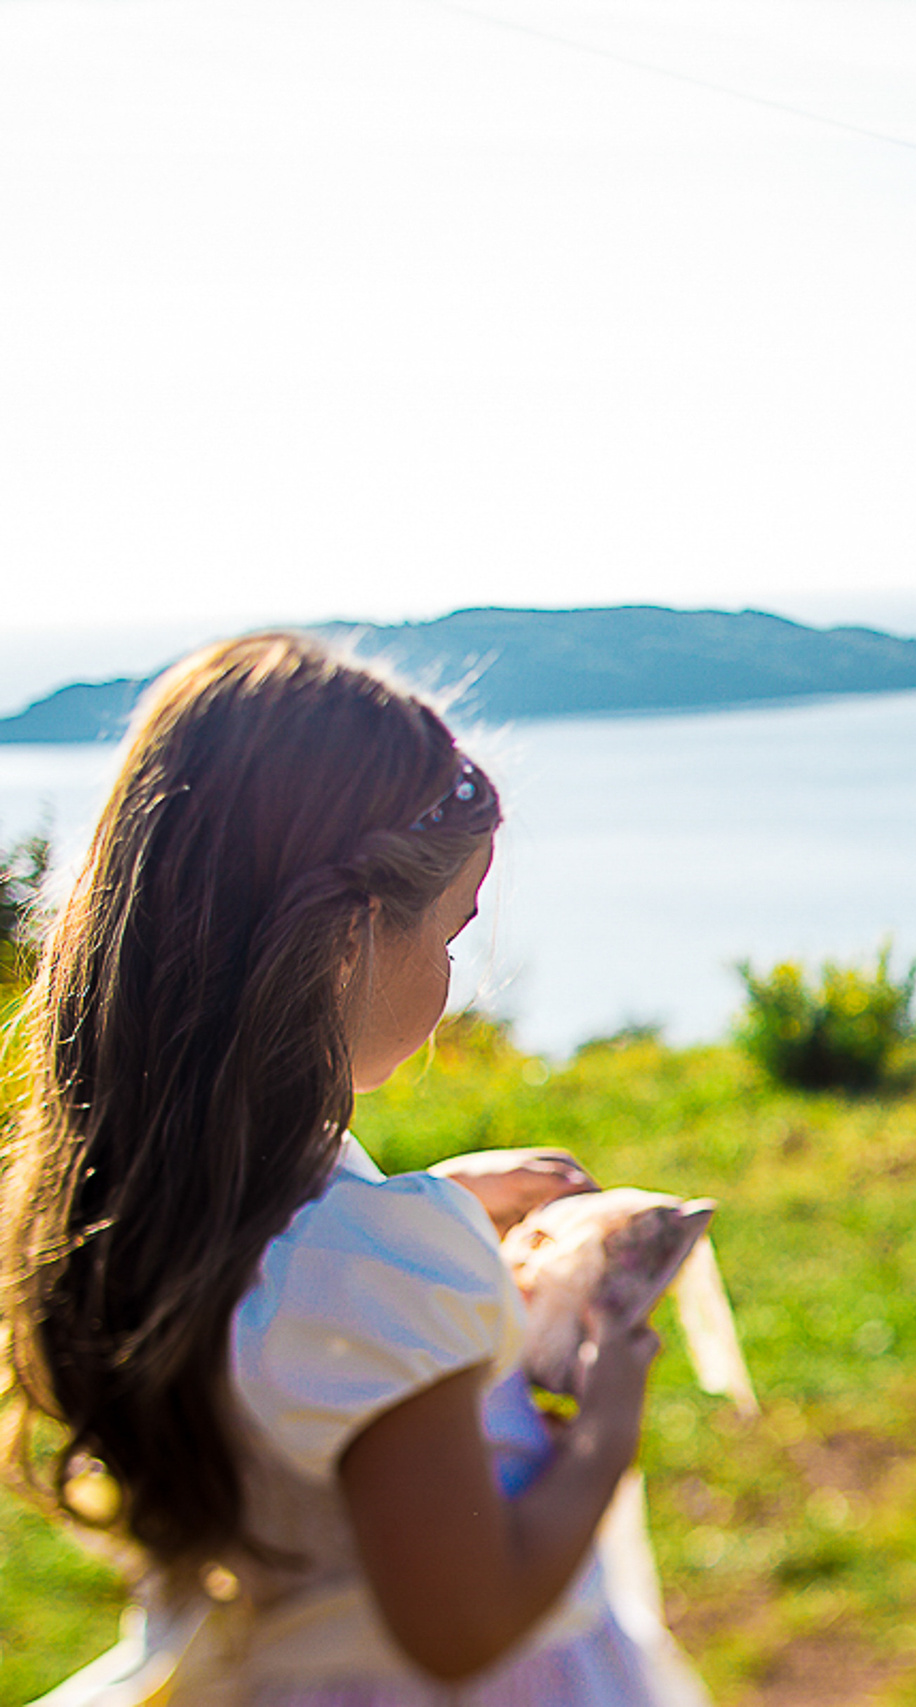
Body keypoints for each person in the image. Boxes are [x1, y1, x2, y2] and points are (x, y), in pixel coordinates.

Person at [2, 634, 705, 1704]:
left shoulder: (142, 1200)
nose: (453, 981)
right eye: (452, 938)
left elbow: (289, 1288)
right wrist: (607, 1414)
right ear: (351, 937)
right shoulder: (369, 1262)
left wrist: (440, 1211)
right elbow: (464, 1624)